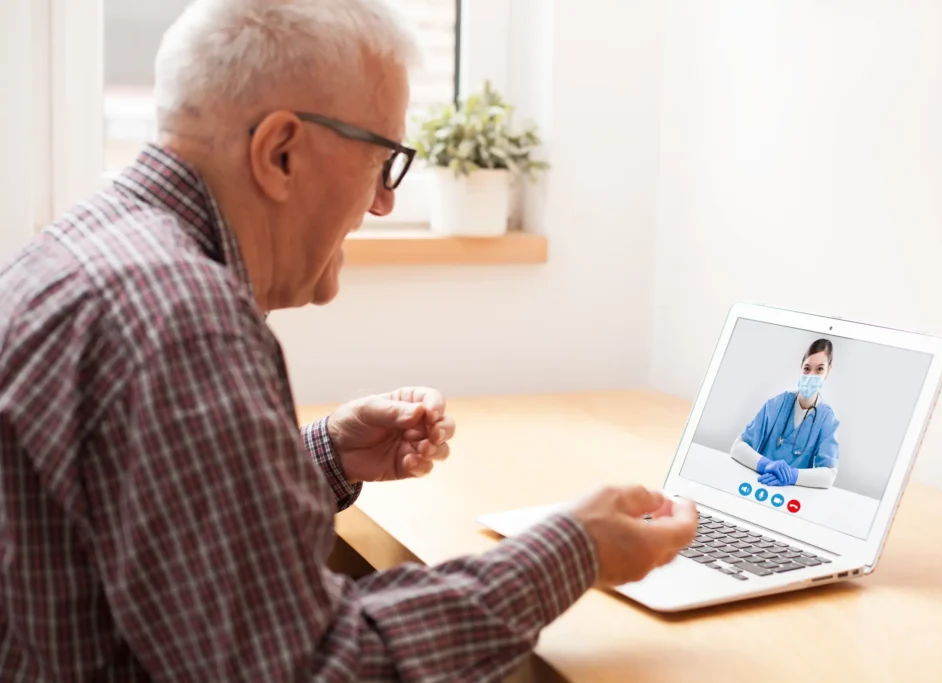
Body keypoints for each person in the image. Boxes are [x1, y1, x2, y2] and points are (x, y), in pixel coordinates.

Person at [0, 0, 699, 680]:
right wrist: (574, 549)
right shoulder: (185, 321)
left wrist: (324, 454)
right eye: (384, 159)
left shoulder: (94, 250)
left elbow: (157, 528)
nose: (384, 202)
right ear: (280, 152)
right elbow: (318, 665)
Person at [730, 338, 840, 488]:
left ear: (828, 371)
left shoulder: (827, 418)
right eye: (807, 368)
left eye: (819, 369)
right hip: (757, 483)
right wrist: (766, 465)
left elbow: (828, 475)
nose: (811, 376)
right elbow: (737, 448)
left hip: (793, 494)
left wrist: (793, 475)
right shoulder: (777, 404)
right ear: (801, 367)